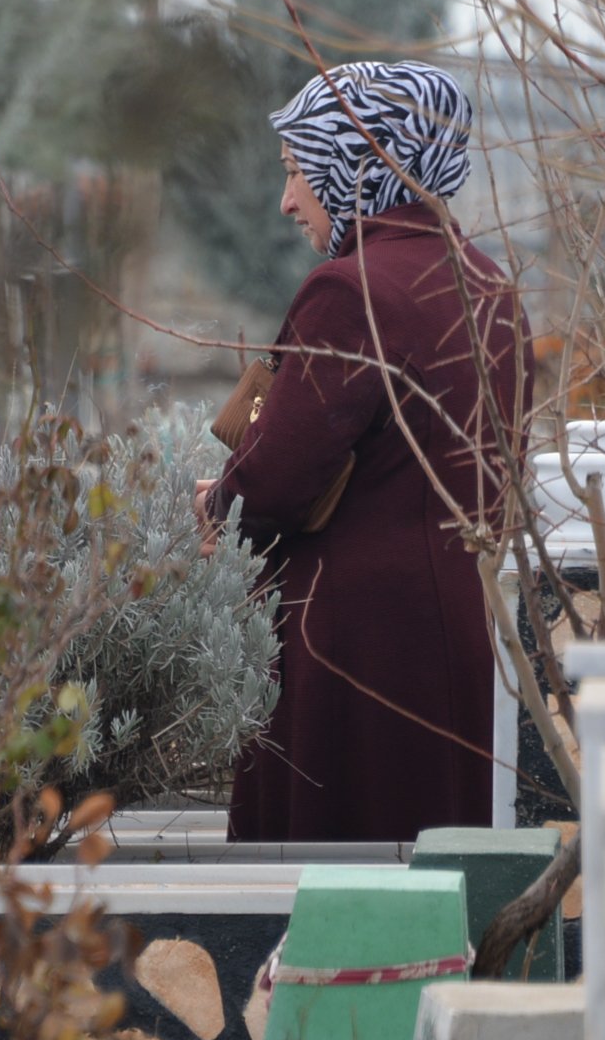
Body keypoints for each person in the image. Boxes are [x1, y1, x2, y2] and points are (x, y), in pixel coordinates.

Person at [199, 61, 530, 844]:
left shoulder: (351, 293)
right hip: (459, 630)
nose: (286, 201)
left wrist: (216, 501)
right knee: (441, 874)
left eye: (297, 170)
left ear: (353, 164)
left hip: (351, 648)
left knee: (333, 891)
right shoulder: (489, 286)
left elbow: (275, 483)